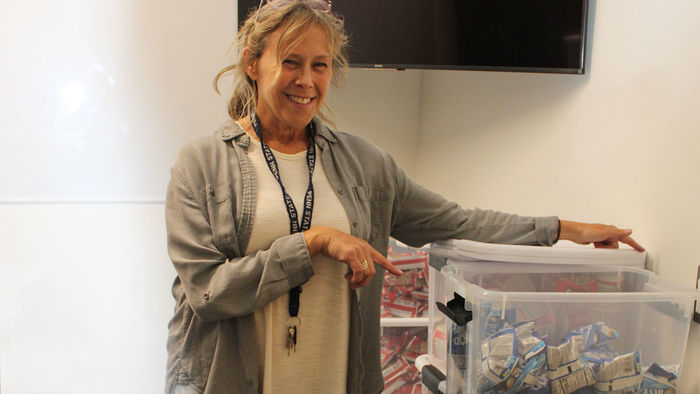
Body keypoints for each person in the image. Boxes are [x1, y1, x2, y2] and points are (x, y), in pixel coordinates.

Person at [164, 1, 645, 393]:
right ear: (253, 63)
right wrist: (313, 242)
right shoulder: (203, 163)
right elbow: (207, 291)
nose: (306, 80)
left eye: (320, 65)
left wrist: (563, 229)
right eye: (290, 61)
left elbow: (457, 221)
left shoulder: (364, 164)